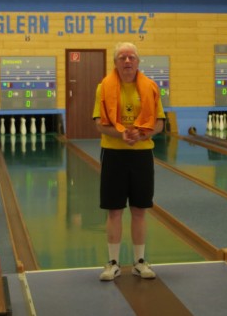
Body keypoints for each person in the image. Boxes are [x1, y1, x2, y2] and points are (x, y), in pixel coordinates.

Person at [93, 42, 165, 281]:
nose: (127, 61)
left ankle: (139, 262)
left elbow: (159, 123)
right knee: (114, 210)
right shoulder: (103, 87)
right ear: (115, 62)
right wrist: (121, 134)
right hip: (113, 153)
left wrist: (142, 135)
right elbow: (99, 124)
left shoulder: (151, 87)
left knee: (139, 209)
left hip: (142, 154)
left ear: (137, 61)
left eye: (131, 57)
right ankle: (113, 263)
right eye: (122, 57)